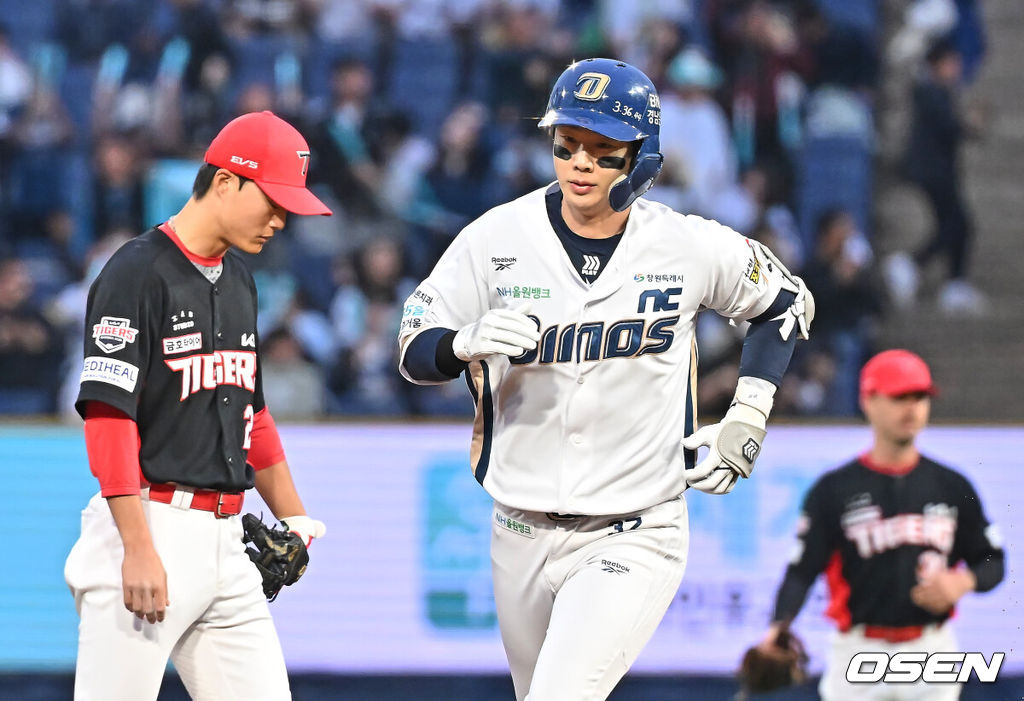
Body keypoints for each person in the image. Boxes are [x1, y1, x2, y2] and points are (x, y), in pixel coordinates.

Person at [396, 58, 814, 700]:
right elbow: (413, 345)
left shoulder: (685, 244)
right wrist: (459, 345)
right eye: (567, 144)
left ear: (642, 157)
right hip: (518, 524)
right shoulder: (497, 237)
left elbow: (786, 301)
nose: (580, 163)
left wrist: (748, 412)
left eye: (603, 148)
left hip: (636, 525)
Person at [64, 111, 331, 701]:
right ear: (227, 181)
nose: (281, 221)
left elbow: (253, 415)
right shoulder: (135, 271)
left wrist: (294, 520)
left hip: (228, 540)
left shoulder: (239, 279)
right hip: (149, 523)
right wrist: (137, 547)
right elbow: (109, 418)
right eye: (274, 202)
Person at [757, 349, 1005, 701]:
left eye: (920, 397)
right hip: (858, 650)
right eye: (899, 397)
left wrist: (963, 581)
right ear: (868, 400)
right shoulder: (835, 489)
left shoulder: (952, 486)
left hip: (930, 648)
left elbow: (993, 560)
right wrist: (779, 625)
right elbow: (802, 571)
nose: (912, 408)